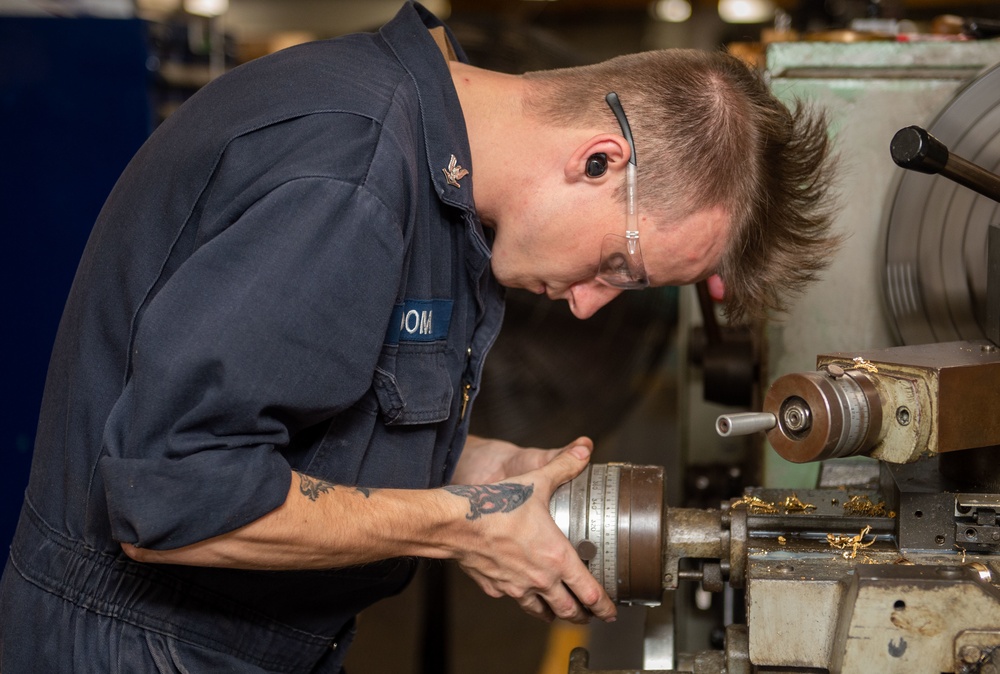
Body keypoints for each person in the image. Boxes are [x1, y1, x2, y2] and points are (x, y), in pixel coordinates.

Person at [0, 1, 836, 672]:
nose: (588, 305)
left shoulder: (444, 174)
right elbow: (172, 499)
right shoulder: (355, 176)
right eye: (620, 269)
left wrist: (478, 467)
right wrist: (461, 523)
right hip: (135, 645)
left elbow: (298, 415)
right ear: (599, 161)